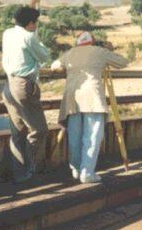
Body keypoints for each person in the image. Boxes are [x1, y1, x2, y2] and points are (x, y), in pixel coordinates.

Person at [51, 31, 128, 184]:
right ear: (92, 42)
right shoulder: (100, 52)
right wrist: (108, 52)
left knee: (75, 136)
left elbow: (54, 66)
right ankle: (87, 172)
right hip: (93, 98)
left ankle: (76, 168)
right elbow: (123, 62)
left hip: (73, 98)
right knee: (92, 136)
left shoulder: (70, 53)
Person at [1, 0, 50, 183]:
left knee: (18, 130)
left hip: (9, 86)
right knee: (39, 130)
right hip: (24, 86)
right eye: (35, 23)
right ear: (30, 24)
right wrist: (37, 39)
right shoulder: (29, 37)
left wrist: (32, 6)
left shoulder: (7, 33)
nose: (36, 26)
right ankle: (30, 168)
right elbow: (45, 56)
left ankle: (19, 173)